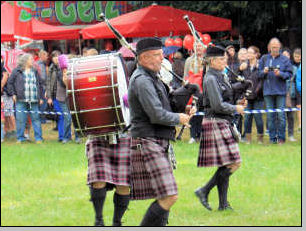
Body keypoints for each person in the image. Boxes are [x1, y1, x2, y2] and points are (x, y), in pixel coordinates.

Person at [128, 38, 193, 226]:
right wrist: (178, 119)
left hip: (156, 140)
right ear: (144, 58)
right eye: (158, 55)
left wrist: (183, 111)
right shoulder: (142, 81)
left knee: (165, 195)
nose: (162, 58)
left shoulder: (152, 77)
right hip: (147, 140)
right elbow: (156, 115)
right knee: (169, 195)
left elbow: (165, 105)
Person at [195, 45, 246, 211]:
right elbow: (217, 105)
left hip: (222, 121)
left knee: (227, 163)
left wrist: (238, 100)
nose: (226, 62)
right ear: (212, 61)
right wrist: (235, 109)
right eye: (222, 59)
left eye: (225, 58)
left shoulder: (220, 75)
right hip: (215, 121)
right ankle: (204, 190)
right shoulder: (210, 78)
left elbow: (225, 97)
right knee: (234, 162)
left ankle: (223, 204)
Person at [258, 38, 292, 144]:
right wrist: (264, 71)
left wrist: (280, 74)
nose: (275, 49)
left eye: (276, 47)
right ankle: (273, 139)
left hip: (280, 92)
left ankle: (281, 138)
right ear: (269, 47)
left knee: (281, 116)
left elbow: (290, 74)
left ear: (280, 47)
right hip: (268, 92)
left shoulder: (285, 59)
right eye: (273, 47)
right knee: (270, 116)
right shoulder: (264, 59)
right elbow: (258, 74)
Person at [7, 53, 44, 143]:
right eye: (31, 59)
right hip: (21, 100)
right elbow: (10, 83)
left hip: (34, 100)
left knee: (36, 119)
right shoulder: (16, 71)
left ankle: (38, 138)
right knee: (20, 120)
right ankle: (20, 138)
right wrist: (13, 94)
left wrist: (41, 97)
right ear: (25, 61)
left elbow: (40, 84)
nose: (32, 61)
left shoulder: (35, 71)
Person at [184, 42, 206, 144]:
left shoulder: (206, 60)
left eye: (200, 46)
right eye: (196, 47)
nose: (199, 48)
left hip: (203, 90)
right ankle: (192, 135)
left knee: (202, 113)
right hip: (192, 89)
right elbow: (185, 75)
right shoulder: (189, 60)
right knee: (192, 113)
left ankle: (200, 134)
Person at [243, 46, 264, 144]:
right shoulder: (244, 66)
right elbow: (242, 81)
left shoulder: (260, 65)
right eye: (248, 52)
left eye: (251, 52)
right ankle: (248, 139)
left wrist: (256, 91)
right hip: (247, 96)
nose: (249, 54)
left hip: (258, 96)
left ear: (256, 54)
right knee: (247, 118)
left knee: (258, 118)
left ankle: (260, 138)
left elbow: (261, 80)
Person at [1, 56, 16, 139]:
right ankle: (7, 131)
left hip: (6, 93)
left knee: (9, 113)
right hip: (4, 93)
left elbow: (5, 75)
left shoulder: (2, 66)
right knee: (5, 114)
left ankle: (13, 130)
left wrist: (1, 86)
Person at [36, 50, 49, 124]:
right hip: (42, 87)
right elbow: (43, 78)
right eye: (46, 56)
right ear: (42, 56)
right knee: (43, 104)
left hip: (39, 87)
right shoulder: (41, 65)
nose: (47, 57)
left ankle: (41, 119)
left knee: (41, 104)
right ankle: (42, 120)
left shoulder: (38, 64)